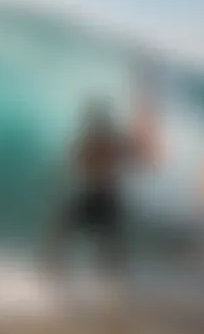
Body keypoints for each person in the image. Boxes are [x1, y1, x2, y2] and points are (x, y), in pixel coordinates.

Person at [45, 70, 160, 279]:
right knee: (99, 242)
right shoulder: (105, 140)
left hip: (101, 197)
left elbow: (79, 162)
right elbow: (136, 156)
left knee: (74, 232)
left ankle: (99, 280)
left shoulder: (98, 140)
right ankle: (106, 281)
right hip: (105, 197)